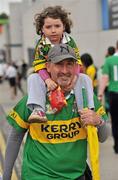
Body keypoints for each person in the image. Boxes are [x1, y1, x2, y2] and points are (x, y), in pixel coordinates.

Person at [3, 44, 108, 180]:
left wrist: (98, 121)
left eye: (69, 64)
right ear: (48, 67)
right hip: (37, 176)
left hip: (76, 176)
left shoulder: (86, 97)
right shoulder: (35, 98)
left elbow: (103, 137)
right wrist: (6, 176)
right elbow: (15, 138)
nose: (65, 70)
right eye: (59, 64)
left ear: (76, 67)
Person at [27, 5, 84, 123]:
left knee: (84, 78)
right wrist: (47, 80)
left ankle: (84, 109)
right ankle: (38, 110)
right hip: (48, 78)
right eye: (48, 27)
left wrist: (74, 78)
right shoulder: (42, 45)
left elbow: (77, 62)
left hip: (67, 77)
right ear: (42, 29)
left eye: (57, 26)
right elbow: (39, 65)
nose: (53, 30)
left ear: (64, 26)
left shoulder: (70, 41)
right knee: (32, 78)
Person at [98, 48, 118, 153]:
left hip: (114, 94)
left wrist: (100, 94)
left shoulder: (109, 60)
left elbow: (105, 78)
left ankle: (117, 145)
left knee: (115, 121)